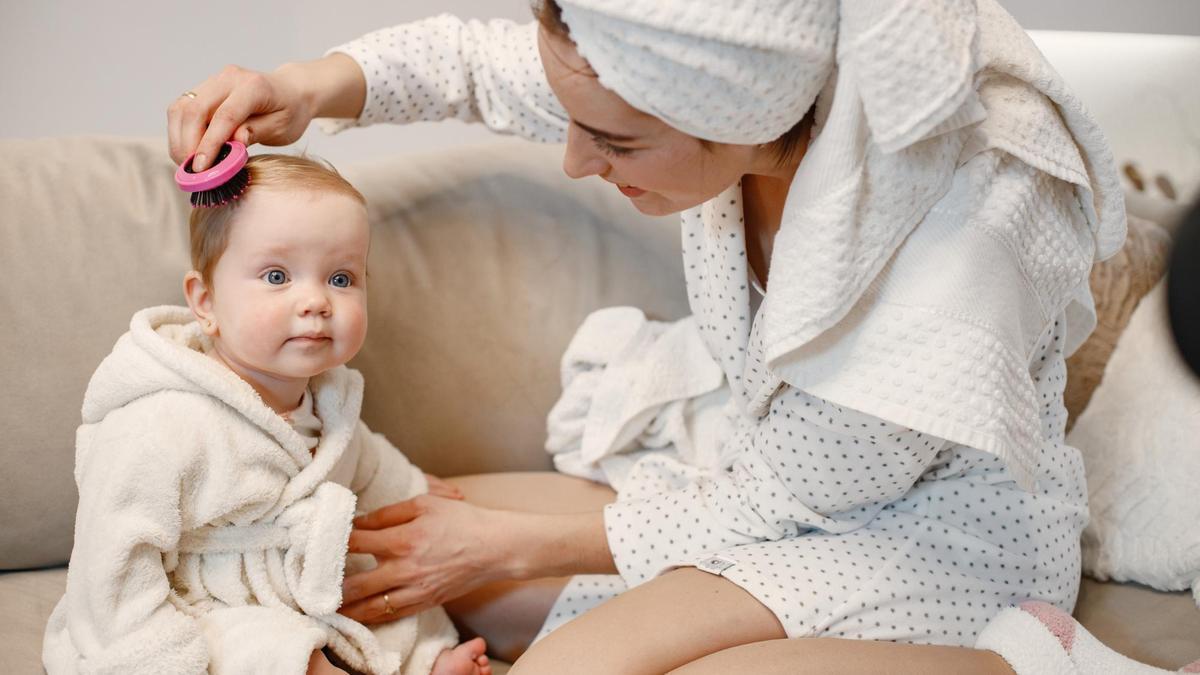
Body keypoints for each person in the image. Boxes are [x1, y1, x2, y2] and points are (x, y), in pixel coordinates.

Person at [167, 1, 1134, 672]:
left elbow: (803, 496)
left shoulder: (965, 226)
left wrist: (506, 546)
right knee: (374, 553)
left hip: (929, 540)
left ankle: (1032, 657)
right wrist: (305, 84)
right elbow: (469, 64)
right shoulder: (689, 62)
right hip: (751, 492)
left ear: (737, 117)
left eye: (618, 144)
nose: (578, 162)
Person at [43, 154, 493, 675]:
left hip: (300, 580)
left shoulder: (330, 399)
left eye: (342, 279)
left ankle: (425, 663)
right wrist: (150, 650)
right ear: (205, 301)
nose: (316, 301)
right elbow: (113, 563)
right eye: (277, 275)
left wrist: (414, 490)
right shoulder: (160, 422)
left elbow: (363, 462)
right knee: (264, 650)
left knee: (390, 591)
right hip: (196, 602)